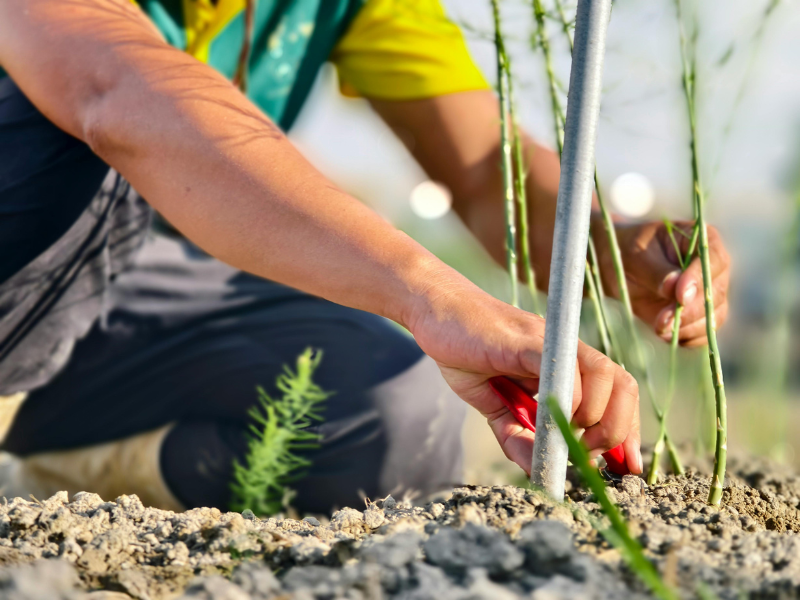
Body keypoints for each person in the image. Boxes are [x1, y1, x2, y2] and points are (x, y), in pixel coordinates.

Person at [0, 0, 730, 514]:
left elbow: (482, 172)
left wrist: (611, 249)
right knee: (76, 141)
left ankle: (46, 475)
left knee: (394, 415)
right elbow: (114, 91)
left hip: (139, 299)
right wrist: (431, 296)